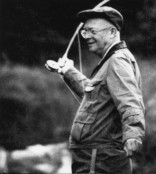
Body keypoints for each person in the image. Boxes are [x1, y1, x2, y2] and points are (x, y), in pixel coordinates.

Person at [45, 6, 145, 174]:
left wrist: (133, 134)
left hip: (99, 159)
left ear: (112, 32)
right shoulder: (113, 60)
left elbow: (130, 100)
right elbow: (95, 96)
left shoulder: (117, 61)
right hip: (94, 156)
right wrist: (68, 72)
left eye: (92, 31)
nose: (87, 36)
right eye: (84, 32)